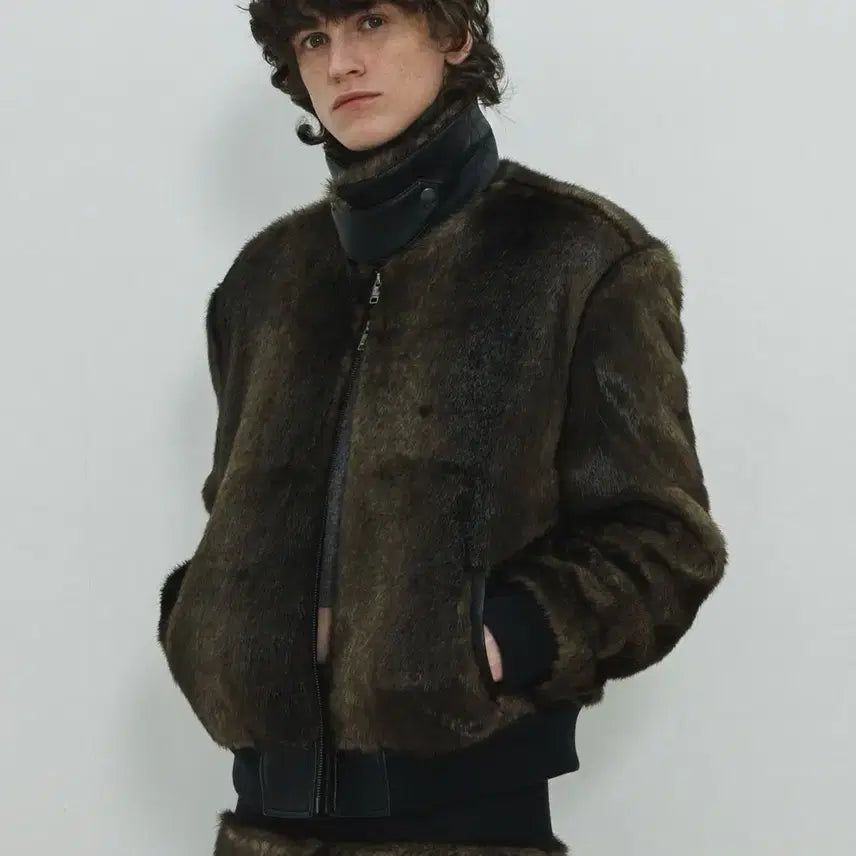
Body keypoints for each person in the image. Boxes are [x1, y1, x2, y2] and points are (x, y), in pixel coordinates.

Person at [156, 2, 729, 854]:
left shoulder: (580, 258)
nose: (341, 63)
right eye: (313, 38)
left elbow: (663, 539)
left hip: (468, 826)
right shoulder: (264, 283)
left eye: (371, 22)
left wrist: (483, 642)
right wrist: (207, 623)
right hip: (259, 828)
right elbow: (231, 511)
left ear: (454, 36)